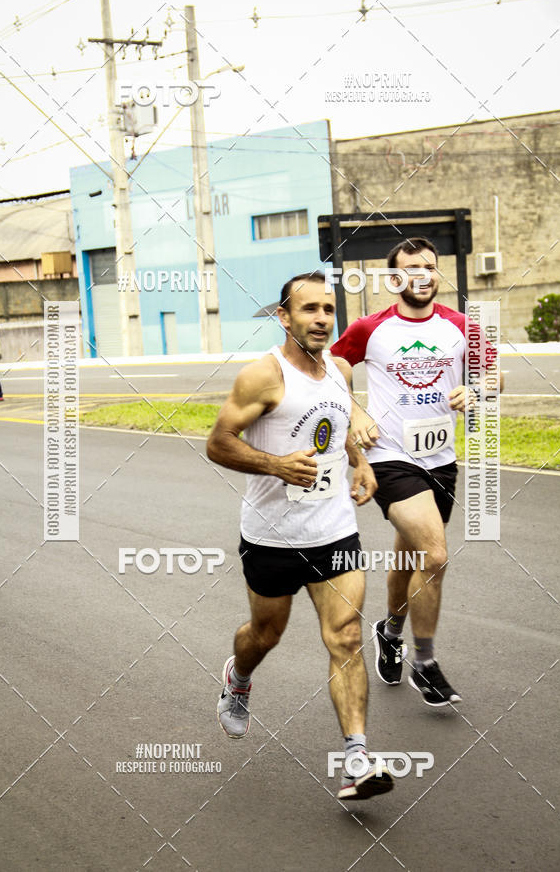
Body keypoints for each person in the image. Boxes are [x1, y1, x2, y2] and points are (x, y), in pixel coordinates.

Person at [206, 271, 394, 801]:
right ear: (284, 317)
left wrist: (360, 463)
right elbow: (218, 443)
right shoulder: (262, 377)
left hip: (334, 531)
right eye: (309, 309)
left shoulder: (339, 370)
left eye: (328, 309)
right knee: (265, 634)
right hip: (271, 537)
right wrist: (275, 465)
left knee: (347, 637)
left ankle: (356, 758)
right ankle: (239, 677)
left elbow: (334, 428)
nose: (321, 318)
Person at [331, 238, 503, 707]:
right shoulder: (371, 328)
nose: (421, 275)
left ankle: (390, 631)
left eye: (429, 266)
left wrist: (478, 389)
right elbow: (332, 366)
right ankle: (425, 663)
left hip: (441, 460)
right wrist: (355, 411)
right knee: (435, 555)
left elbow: (496, 375)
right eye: (411, 268)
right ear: (394, 279)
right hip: (390, 457)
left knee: (410, 556)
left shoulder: (460, 326)